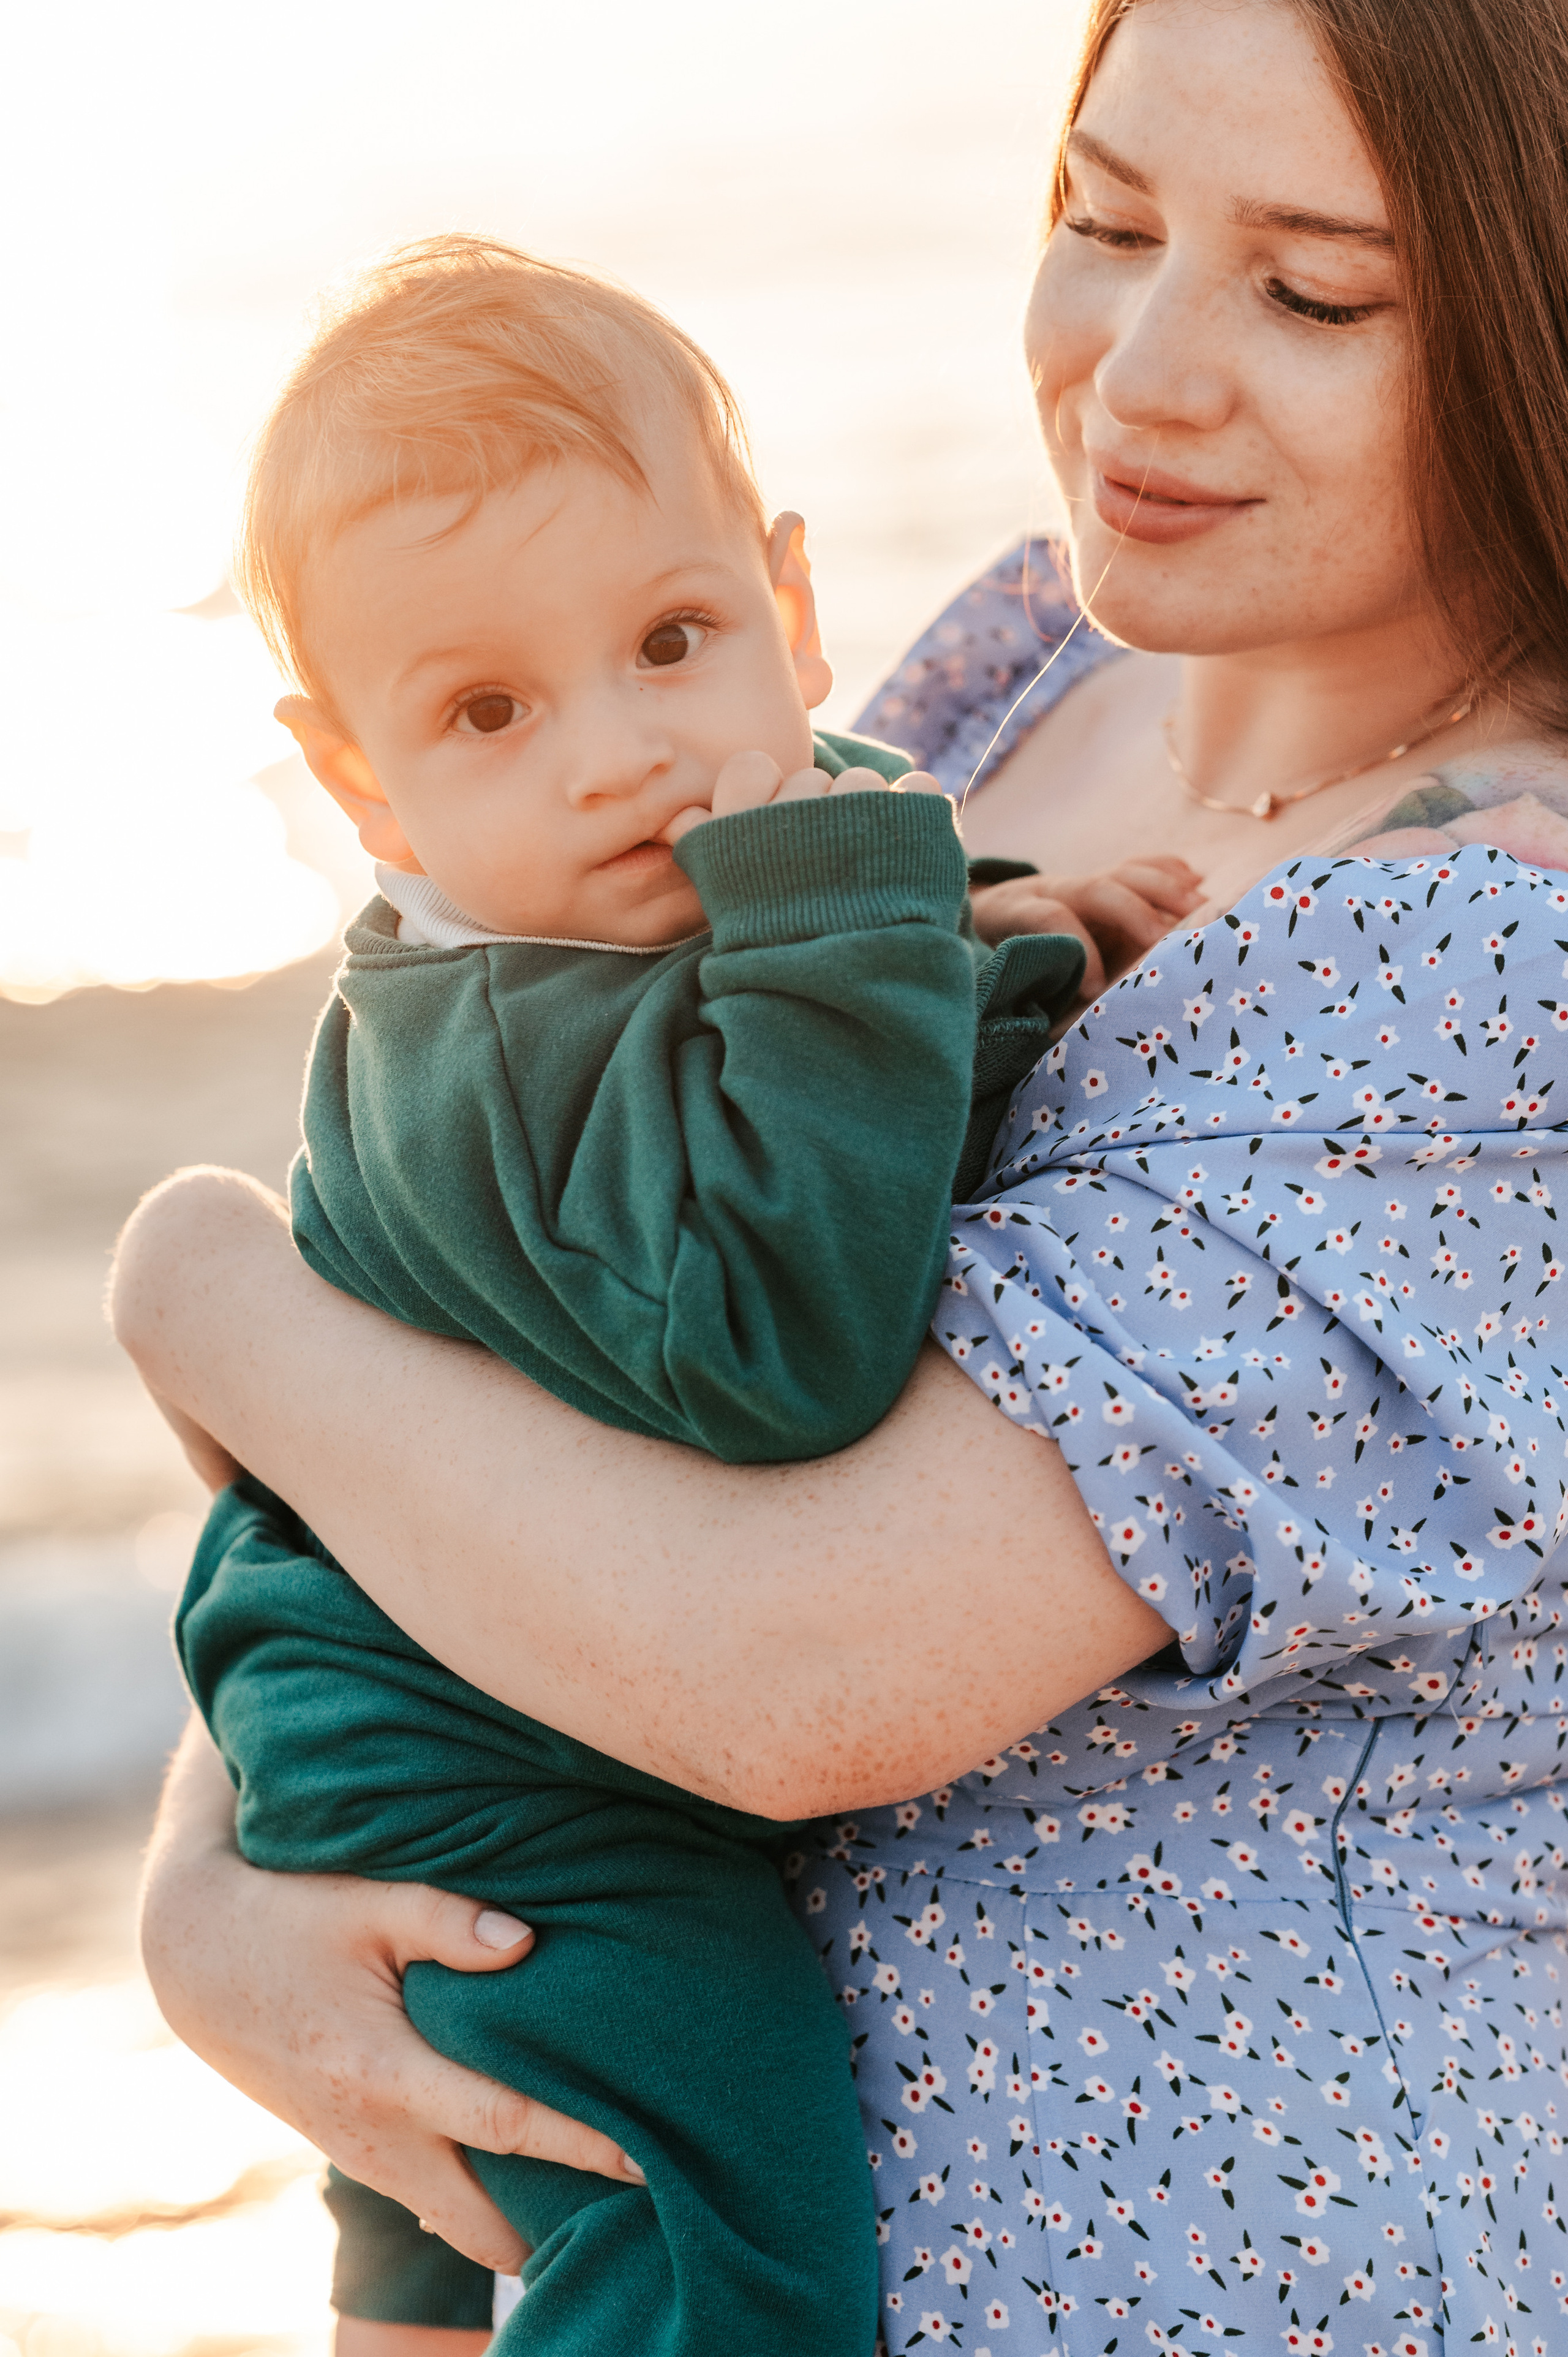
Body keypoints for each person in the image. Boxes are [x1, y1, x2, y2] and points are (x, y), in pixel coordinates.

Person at [115, 1, 1568, 2351]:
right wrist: (213, 1897)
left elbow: (780, 1671)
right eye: (1101, 221)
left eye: (1312, 289)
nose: (1142, 373)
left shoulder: (1505, 955)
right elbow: (501, 1378)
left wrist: (208, 1298)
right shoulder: (1022, 666)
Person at [178, 230, 1119, 2357]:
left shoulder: (623, 930)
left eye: (676, 639)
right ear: (356, 778)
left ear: (791, 609)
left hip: (447, 1691)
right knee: (706, 2206)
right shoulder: (485, 1051)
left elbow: (788, 1069)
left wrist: (991, 947)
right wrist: (876, 913)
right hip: (481, 1772)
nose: (618, 756)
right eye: (488, 709)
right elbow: (781, 1344)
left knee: (442, 2237)